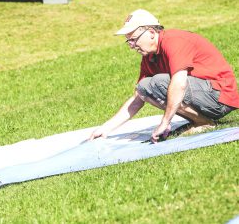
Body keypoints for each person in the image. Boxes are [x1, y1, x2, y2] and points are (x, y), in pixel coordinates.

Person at [90, 9, 239, 143]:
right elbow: (139, 97)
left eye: (134, 39)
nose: (131, 45)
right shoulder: (149, 57)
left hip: (220, 97)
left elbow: (179, 84)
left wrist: (165, 123)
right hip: (205, 96)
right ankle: (202, 121)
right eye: (128, 40)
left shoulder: (174, 41)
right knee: (145, 87)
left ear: (151, 33)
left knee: (157, 82)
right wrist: (105, 128)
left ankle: (204, 122)